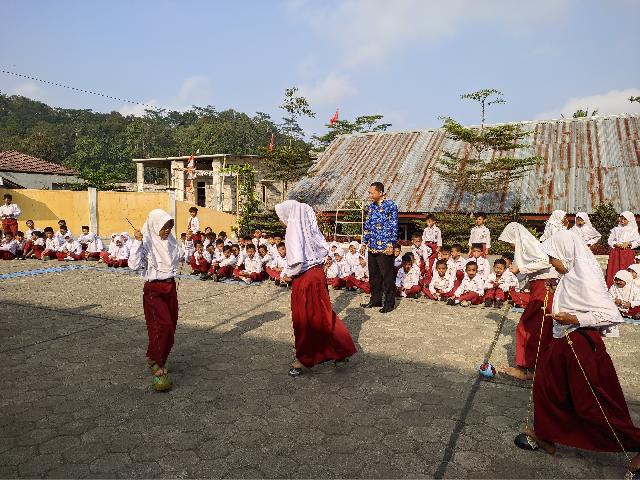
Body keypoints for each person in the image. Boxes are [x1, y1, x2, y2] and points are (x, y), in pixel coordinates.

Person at [516, 230, 640, 477]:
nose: (552, 263)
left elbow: (610, 315)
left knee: (590, 404)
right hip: (562, 343)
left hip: (579, 345)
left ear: (566, 254)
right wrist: (557, 286)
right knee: (546, 388)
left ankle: (636, 442)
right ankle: (546, 435)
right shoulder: (570, 275)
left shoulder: (586, 279)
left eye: (553, 258)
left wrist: (574, 318)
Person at [275, 200, 356, 376]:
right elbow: (322, 250)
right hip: (318, 274)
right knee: (324, 315)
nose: (281, 220)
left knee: (304, 319)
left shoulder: (293, 231)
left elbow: (296, 262)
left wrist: (287, 275)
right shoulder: (309, 231)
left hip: (305, 279)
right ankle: (340, 350)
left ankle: (303, 359)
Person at [128, 209, 181, 392]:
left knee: (171, 326)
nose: (167, 230)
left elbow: (182, 257)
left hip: (170, 287)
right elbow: (133, 265)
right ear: (155, 226)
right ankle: (157, 363)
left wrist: (188, 242)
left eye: (170, 226)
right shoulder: (146, 242)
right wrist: (137, 242)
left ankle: (154, 357)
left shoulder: (170, 241)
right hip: (154, 289)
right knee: (162, 326)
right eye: (164, 227)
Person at [498, 223, 558, 381]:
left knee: (529, 327)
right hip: (539, 287)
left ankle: (527, 368)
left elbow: (546, 262)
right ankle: (535, 367)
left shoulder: (531, 245)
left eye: (510, 242)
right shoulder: (528, 247)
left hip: (544, 288)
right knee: (537, 328)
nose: (511, 246)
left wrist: (521, 269)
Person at [362, 182, 398, 313]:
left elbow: (394, 225)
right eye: (370, 192)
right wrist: (364, 242)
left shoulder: (391, 205)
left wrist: (391, 244)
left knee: (387, 276)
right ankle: (375, 300)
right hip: (372, 246)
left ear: (381, 192)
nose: (370, 195)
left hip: (385, 247)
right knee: (374, 276)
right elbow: (367, 225)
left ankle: (389, 303)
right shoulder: (371, 207)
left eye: (372, 192)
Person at [605, 211, 640, 287]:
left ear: (629, 220)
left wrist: (629, 244)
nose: (622, 221)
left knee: (627, 269)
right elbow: (610, 240)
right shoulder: (616, 229)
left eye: (625, 219)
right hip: (616, 253)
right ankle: (612, 286)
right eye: (621, 218)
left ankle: (627, 287)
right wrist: (616, 244)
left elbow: (638, 241)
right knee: (615, 269)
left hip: (627, 253)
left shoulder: (633, 230)